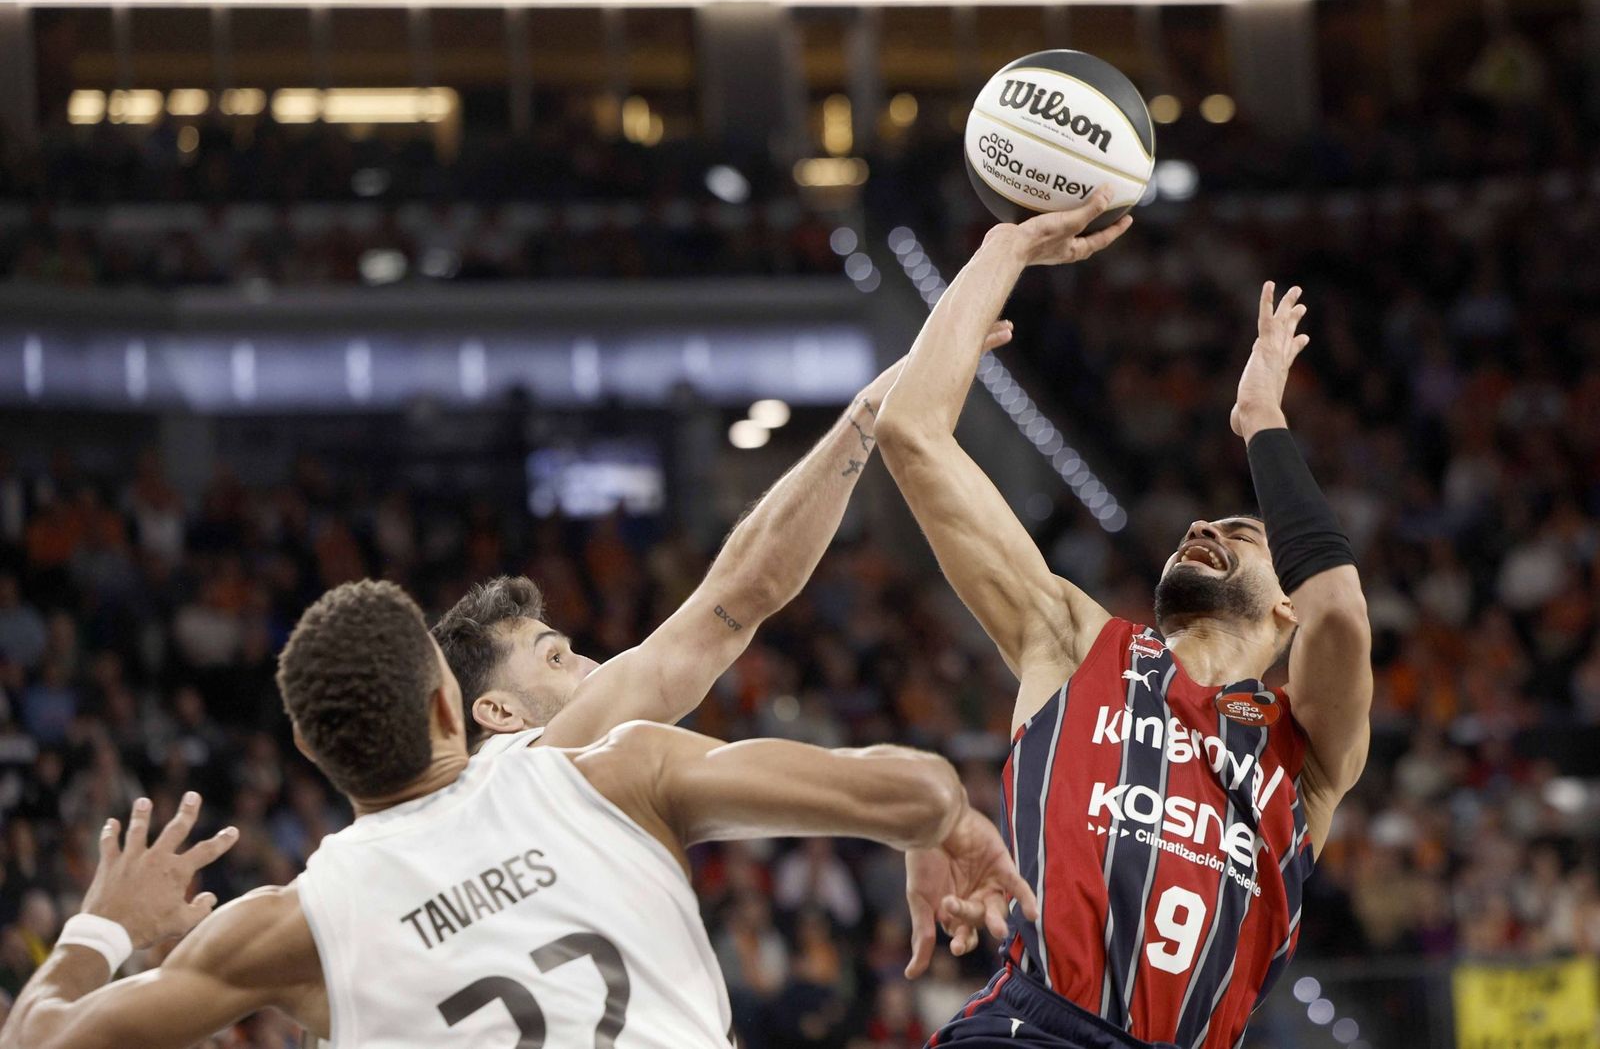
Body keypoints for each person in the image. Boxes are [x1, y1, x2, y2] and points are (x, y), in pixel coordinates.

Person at [0, 580, 1035, 1049]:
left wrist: (103, 925)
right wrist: (932, 827)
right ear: (452, 707)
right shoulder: (610, 770)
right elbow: (912, 786)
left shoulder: (286, 926)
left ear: (314, 755)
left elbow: (39, 1041)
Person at [876, 191, 1372, 1048]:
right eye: (1202, 526)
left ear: (1285, 599)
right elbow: (912, 433)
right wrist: (1005, 250)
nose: (1202, 526)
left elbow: (1342, 616)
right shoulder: (1079, 643)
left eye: (1242, 532)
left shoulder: (1306, 755)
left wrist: (1262, 421)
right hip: (1032, 1029)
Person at [432, 336, 1002, 755]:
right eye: (555, 659)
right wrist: (870, 410)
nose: (593, 665)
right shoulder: (529, 763)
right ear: (499, 711)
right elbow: (747, 590)